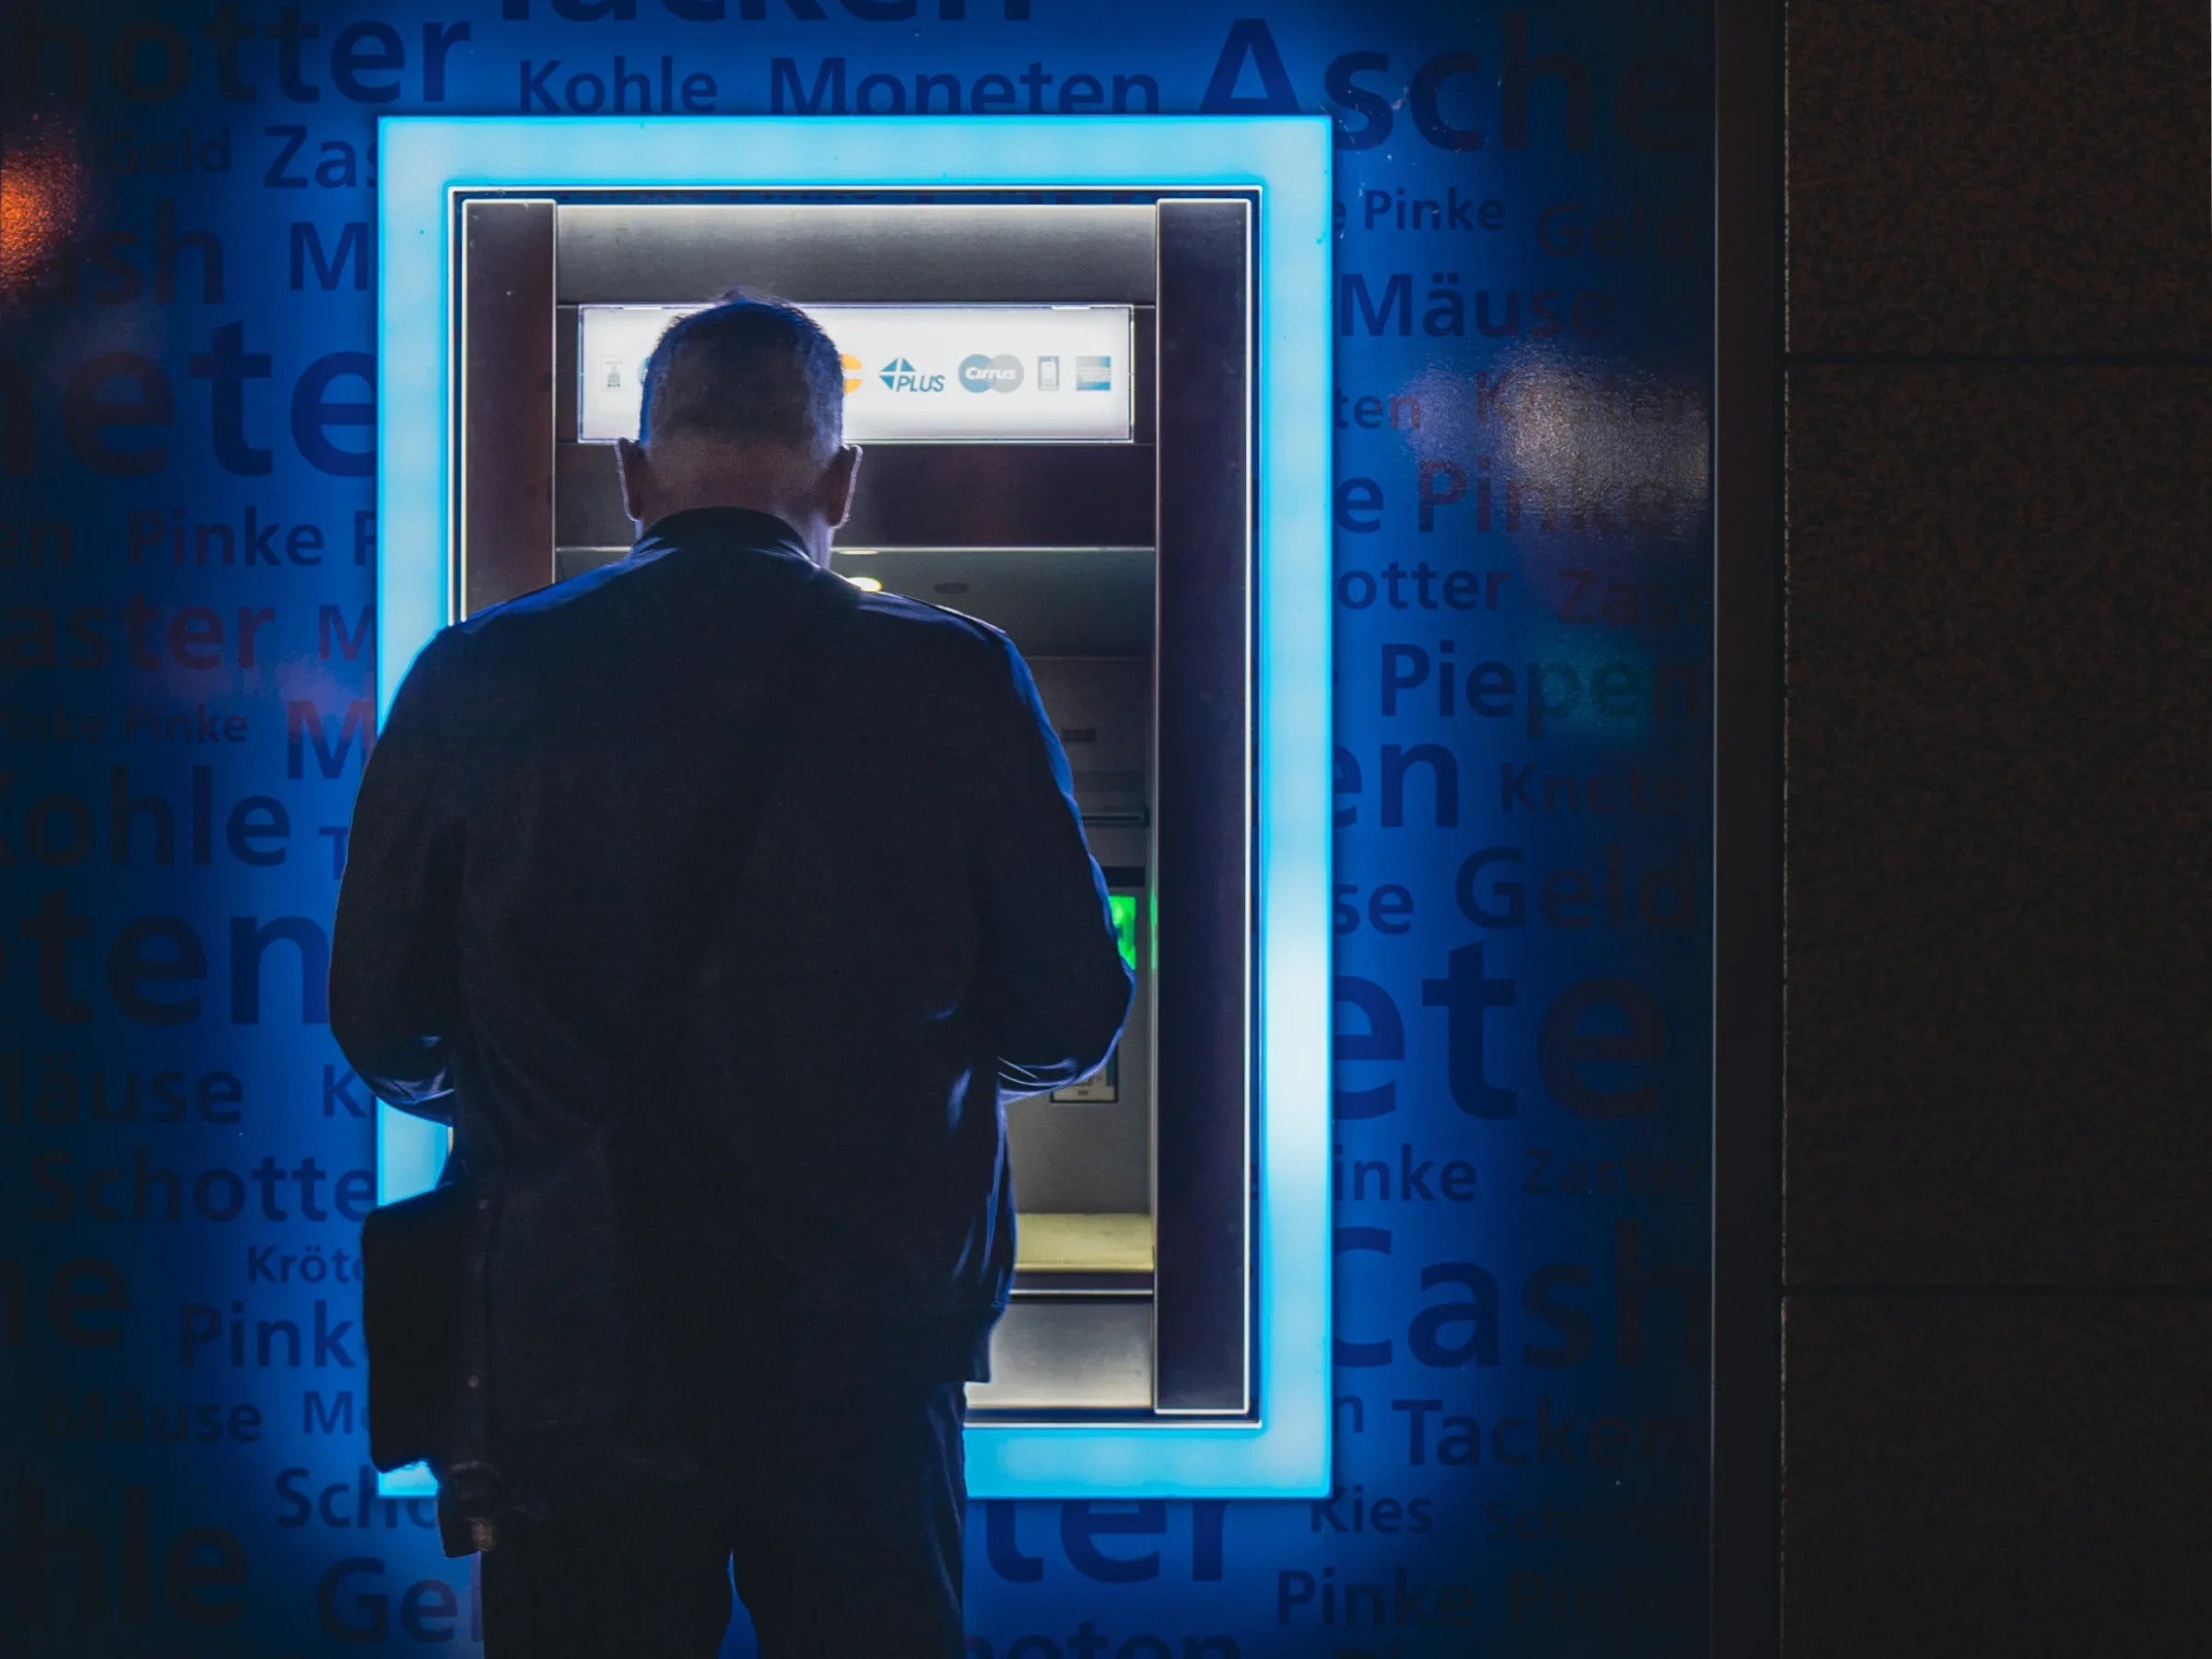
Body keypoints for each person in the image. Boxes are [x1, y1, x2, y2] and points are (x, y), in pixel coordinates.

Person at [328, 296, 1134, 1656]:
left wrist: (539, 1095)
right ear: (841, 481)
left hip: (576, 1337)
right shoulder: (957, 679)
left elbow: (383, 1028)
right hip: (863, 1351)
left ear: (634, 479)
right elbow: (1072, 1014)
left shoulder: (478, 675)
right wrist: (912, 1065)